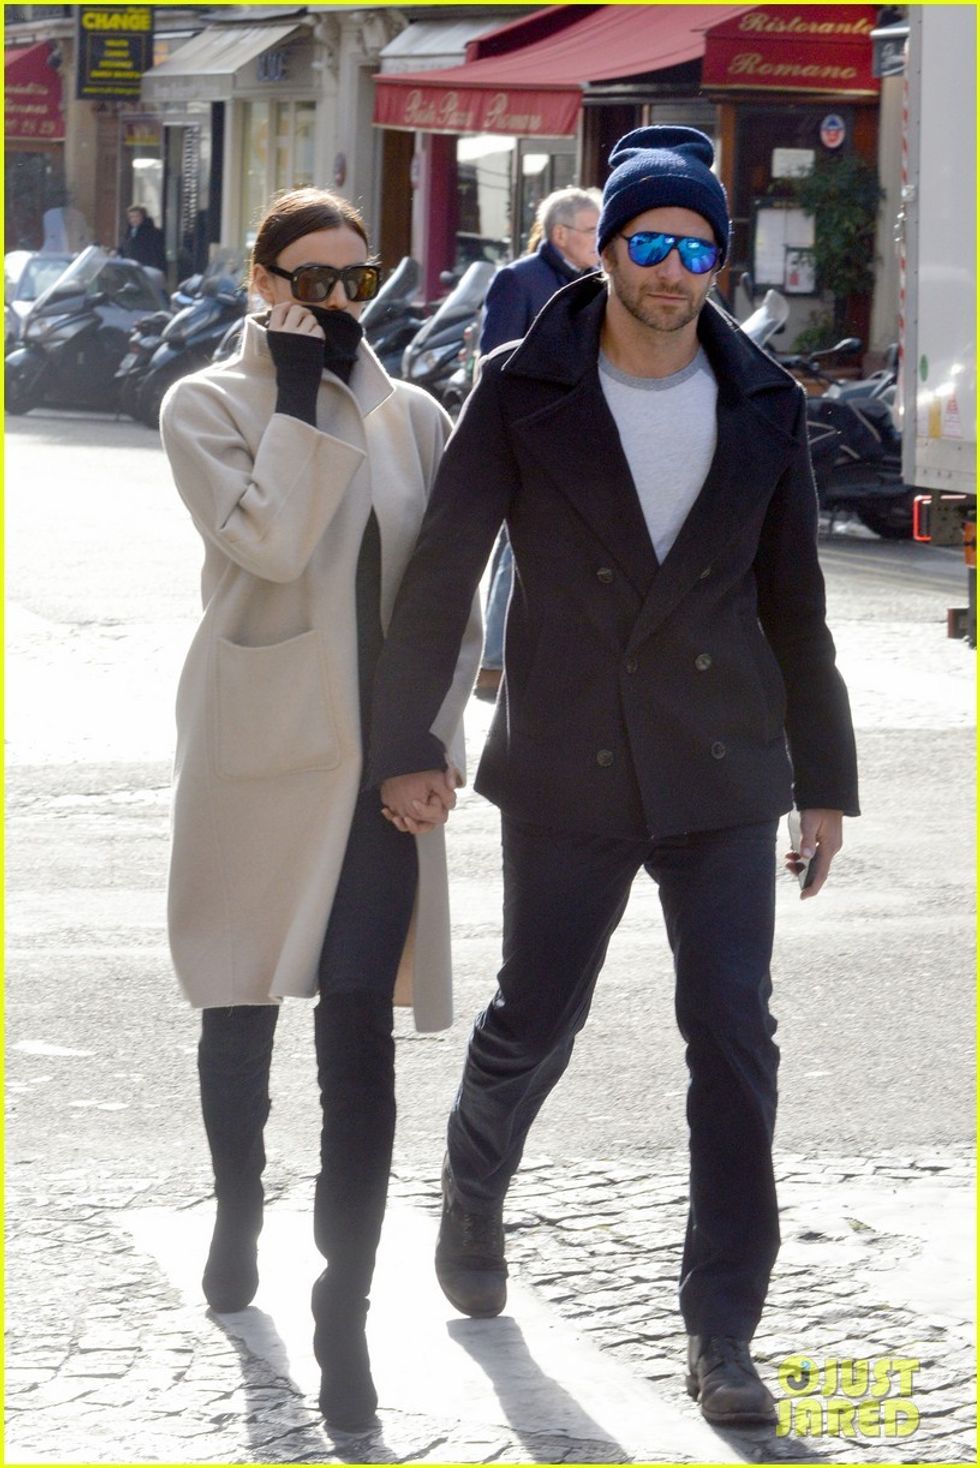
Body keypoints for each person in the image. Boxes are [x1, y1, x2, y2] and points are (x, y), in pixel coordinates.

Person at [368, 128, 860, 1426]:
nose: (672, 270)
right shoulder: (522, 382)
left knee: (733, 1037)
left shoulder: (764, 400)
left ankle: (723, 1331)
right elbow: (444, 570)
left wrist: (822, 780)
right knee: (538, 1015)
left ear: (717, 261)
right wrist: (408, 739)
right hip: (570, 756)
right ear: (609, 251)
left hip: (721, 763)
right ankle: (473, 1187)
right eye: (650, 243)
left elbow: (795, 606)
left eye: (697, 249)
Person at [159, 187, 481, 1432]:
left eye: (357, 278)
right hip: (256, 750)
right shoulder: (206, 405)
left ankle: (342, 1315)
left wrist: (434, 744)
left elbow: (446, 603)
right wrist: (296, 396)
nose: (339, 301)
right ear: (264, 281)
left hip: (377, 776)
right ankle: (237, 1208)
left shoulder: (417, 416)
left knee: (358, 1038)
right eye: (312, 279)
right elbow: (274, 545)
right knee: (239, 1005)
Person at [476, 187, 600, 699]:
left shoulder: (598, 280)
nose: (600, 239)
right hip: (530, 431)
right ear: (561, 235)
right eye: (593, 230)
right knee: (517, 543)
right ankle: (493, 663)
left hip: (582, 432)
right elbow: (494, 361)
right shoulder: (519, 279)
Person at [118, 204, 166, 272]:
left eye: (137, 216)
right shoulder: (129, 232)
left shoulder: (153, 233)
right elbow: (124, 247)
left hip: (146, 269)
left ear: (143, 217)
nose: (134, 219)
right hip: (131, 268)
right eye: (131, 217)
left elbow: (157, 254)